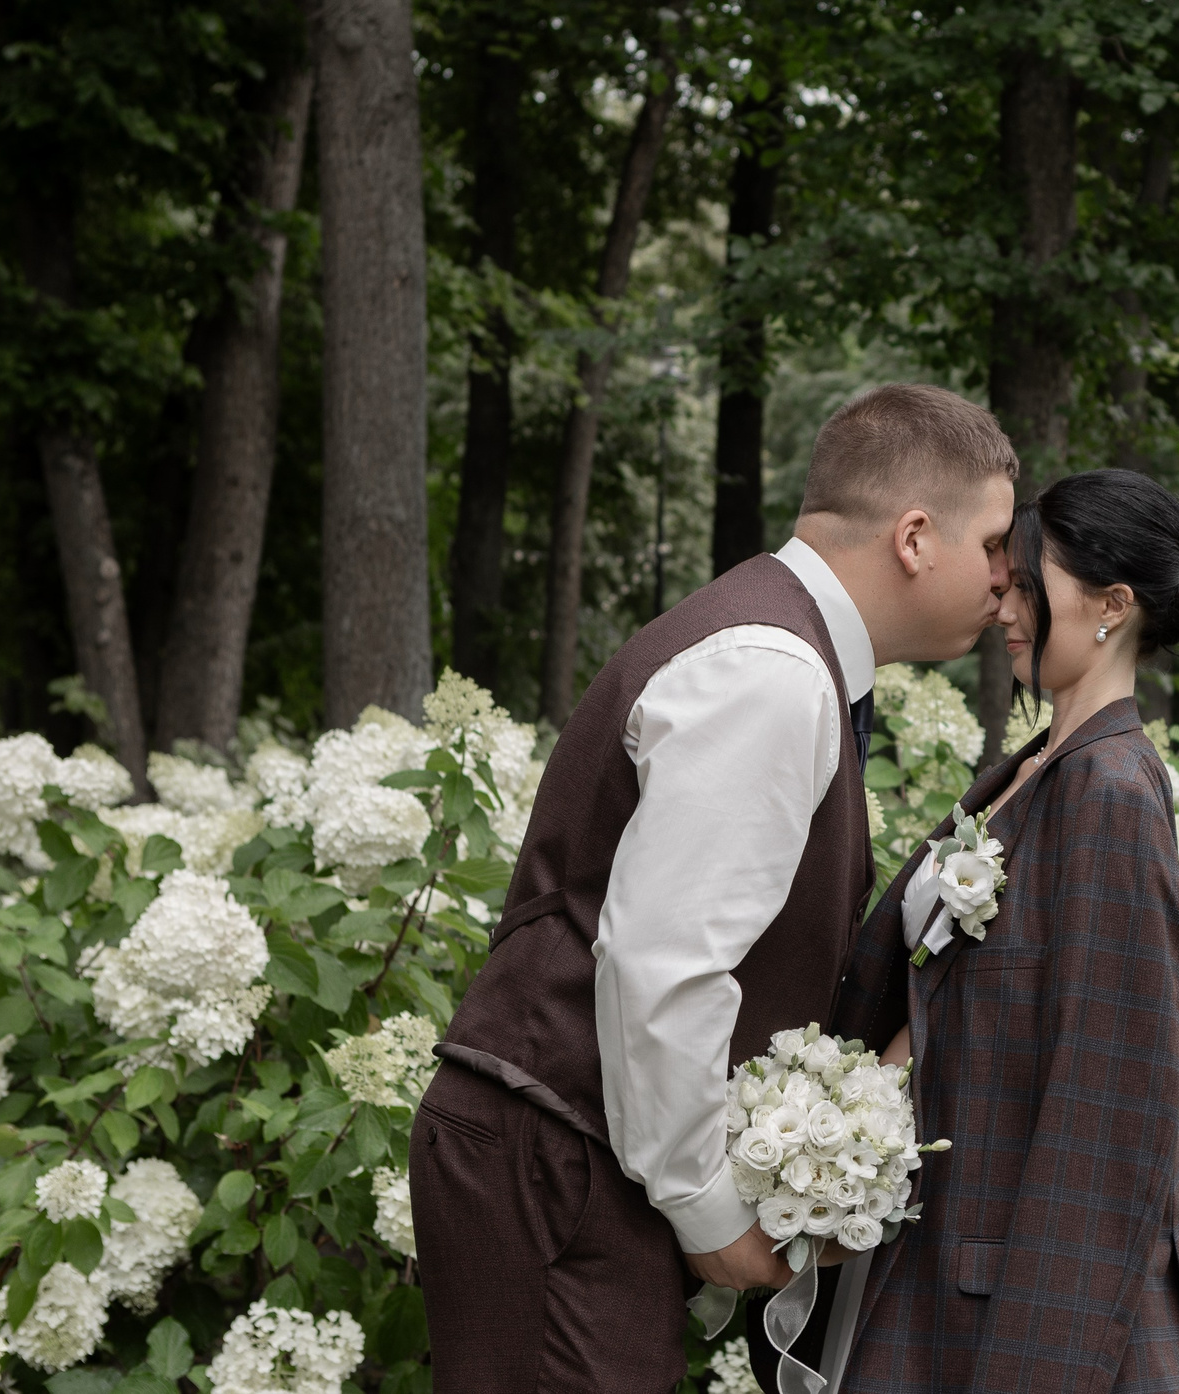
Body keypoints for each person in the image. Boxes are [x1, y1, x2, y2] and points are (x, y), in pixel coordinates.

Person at [410, 384, 1019, 1394]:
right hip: (547, 1152)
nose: (1008, 576)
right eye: (995, 541)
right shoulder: (771, 671)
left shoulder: (776, 644)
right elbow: (665, 959)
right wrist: (709, 1206)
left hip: (559, 1149)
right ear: (915, 536)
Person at [831, 468, 1179, 1394]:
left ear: (1112, 605)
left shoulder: (1114, 793)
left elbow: (1113, 1110)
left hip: (1030, 1326)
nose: (1001, 604)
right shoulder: (1037, 768)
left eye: (1024, 582)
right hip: (932, 1284)